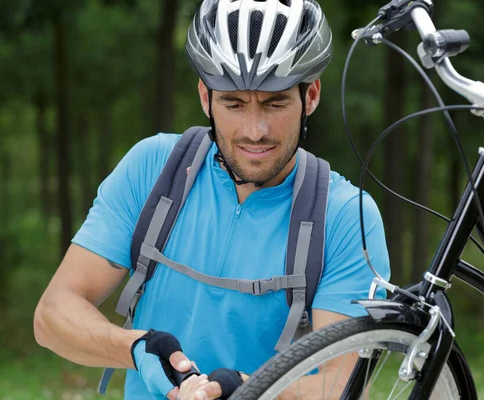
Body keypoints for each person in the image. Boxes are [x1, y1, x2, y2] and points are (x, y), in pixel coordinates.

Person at [33, 0, 390, 399]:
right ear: (205, 97)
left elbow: (339, 386)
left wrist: (245, 390)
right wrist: (135, 349)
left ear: (311, 97)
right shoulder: (153, 169)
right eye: (233, 103)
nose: (255, 131)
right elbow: (53, 315)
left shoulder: (345, 215)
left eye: (275, 103)